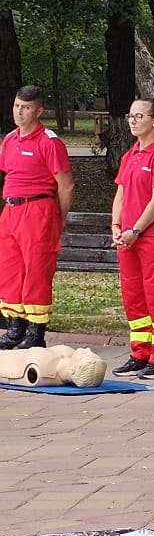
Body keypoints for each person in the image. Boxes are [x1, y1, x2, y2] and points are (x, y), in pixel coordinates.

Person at [109, 99, 154, 379]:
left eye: (139, 116)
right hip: (128, 239)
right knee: (134, 299)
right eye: (130, 115)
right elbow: (121, 194)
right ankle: (140, 354)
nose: (132, 120)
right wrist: (116, 225)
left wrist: (136, 230)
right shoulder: (130, 155)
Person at [0, 87, 73, 351]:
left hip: (38, 209)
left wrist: (58, 219)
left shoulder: (49, 142)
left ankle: (35, 331)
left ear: (39, 111)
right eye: (16, 106)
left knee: (36, 271)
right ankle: (15, 328)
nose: (19, 112)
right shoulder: (10, 140)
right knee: (10, 270)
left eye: (26, 107)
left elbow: (65, 186)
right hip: (11, 210)